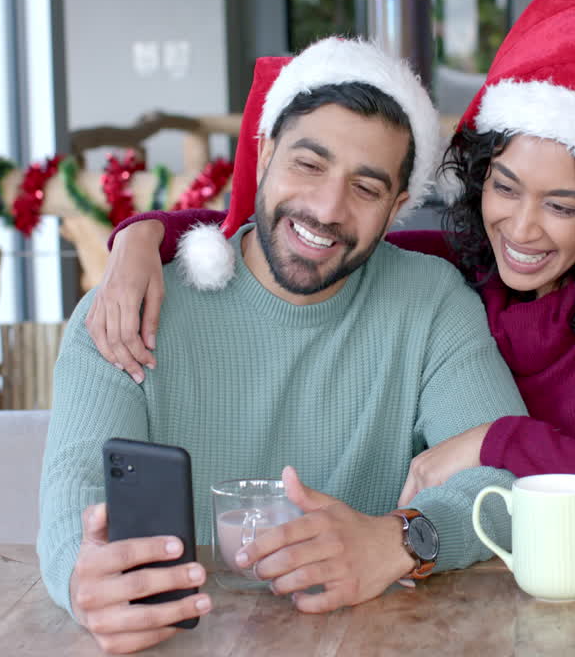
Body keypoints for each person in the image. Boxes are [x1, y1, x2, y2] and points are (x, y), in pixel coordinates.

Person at [88, 0, 575, 567]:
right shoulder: (469, 262)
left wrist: (499, 440)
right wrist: (142, 239)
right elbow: (310, 232)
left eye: (563, 206)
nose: (522, 229)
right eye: (505, 188)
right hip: (492, 578)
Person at [38, 36, 527, 655]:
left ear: (397, 207)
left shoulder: (431, 304)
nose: (326, 207)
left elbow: (510, 478)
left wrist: (402, 540)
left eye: (366, 188)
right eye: (308, 163)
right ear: (264, 152)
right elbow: (72, 494)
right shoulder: (127, 308)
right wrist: (82, 579)